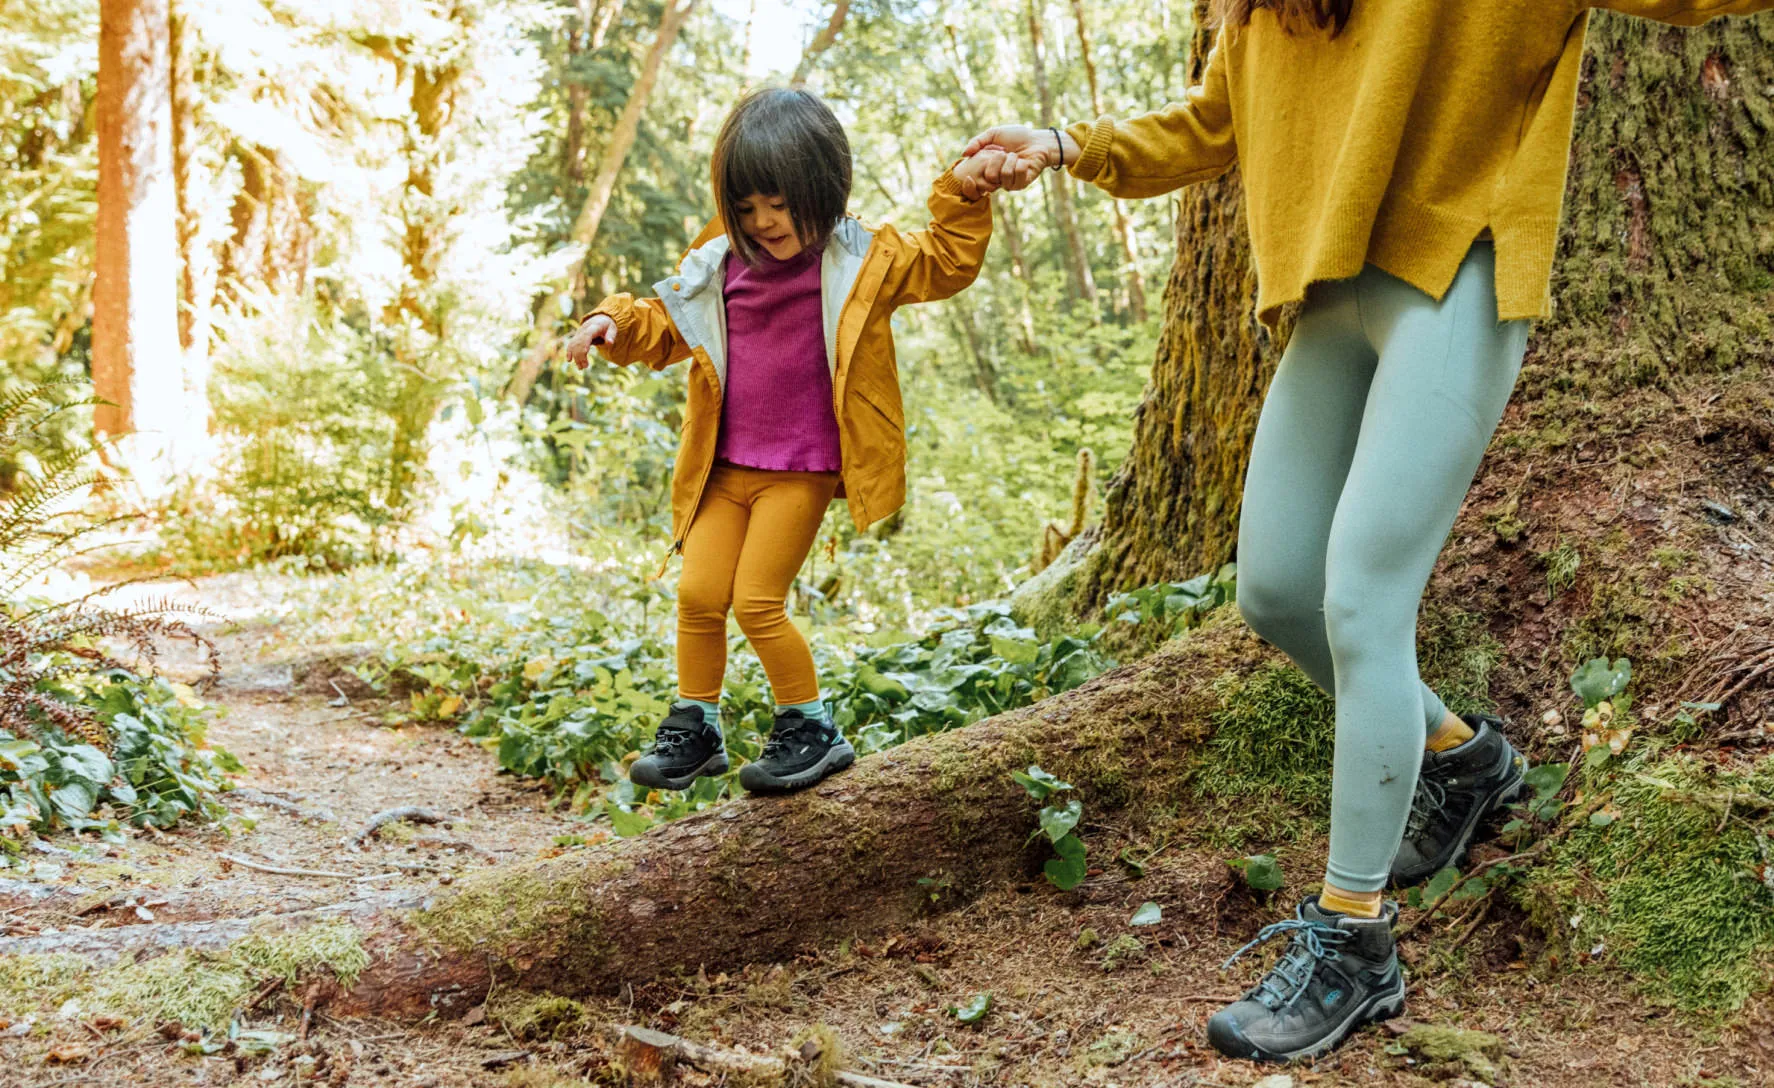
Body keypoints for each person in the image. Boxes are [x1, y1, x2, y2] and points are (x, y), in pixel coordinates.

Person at [959, 0, 1773, 1063]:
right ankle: (1466, 758)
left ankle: (1354, 944)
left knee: (1361, 602)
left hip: (1456, 271)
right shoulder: (1266, 10)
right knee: (1279, 588)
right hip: (1330, 295)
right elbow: (1215, 122)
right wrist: (1069, 145)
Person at [566, 87, 1001, 795]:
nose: (763, 223)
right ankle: (697, 725)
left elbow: (948, 260)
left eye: (779, 204)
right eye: (747, 209)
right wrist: (610, 322)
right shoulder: (719, 264)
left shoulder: (864, 259)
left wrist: (963, 191)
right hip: (723, 466)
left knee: (757, 601)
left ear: (821, 190)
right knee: (699, 594)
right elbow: (664, 320)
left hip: (798, 469)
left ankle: (811, 726)